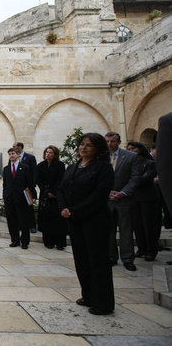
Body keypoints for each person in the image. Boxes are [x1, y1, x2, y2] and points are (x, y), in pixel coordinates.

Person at [58, 132, 115, 316]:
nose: (83, 147)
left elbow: (99, 195)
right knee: (81, 258)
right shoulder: (73, 167)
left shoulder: (103, 168)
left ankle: (103, 302)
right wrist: (63, 208)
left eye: (88, 145)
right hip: (75, 220)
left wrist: (74, 210)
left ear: (97, 148)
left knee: (97, 260)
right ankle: (88, 295)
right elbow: (62, 189)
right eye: (82, 144)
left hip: (94, 219)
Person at [105, 132, 140, 271]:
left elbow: (135, 178)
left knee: (126, 230)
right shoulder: (101, 157)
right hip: (107, 200)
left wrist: (123, 192)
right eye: (107, 141)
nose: (110, 144)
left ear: (119, 142)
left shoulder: (131, 156)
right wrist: (107, 192)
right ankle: (111, 257)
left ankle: (127, 258)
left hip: (124, 199)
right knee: (109, 230)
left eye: (113, 141)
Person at [127, 141, 159, 261]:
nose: (131, 151)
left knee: (149, 224)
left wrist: (132, 181)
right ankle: (142, 248)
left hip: (147, 197)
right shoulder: (130, 164)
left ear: (139, 149)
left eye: (133, 148)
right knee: (137, 224)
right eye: (129, 149)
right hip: (134, 197)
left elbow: (146, 178)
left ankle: (151, 250)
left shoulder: (149, 163)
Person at [2, 148, 37, 249]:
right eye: (9, 154)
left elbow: (30, 183)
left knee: (23, 221)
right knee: (12, 221)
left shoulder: (25, 168)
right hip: (10, 198)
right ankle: (15, 240)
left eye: (13, 154)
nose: (11, 156)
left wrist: (33, 196)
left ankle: (25, 241)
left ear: (18, 155)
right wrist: (5, 195)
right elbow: (5, 185)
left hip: (21, 199)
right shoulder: (6, 169)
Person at [35, 145, 66, 249]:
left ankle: (60, 243)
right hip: (45, 196)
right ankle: (48, 242)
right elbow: (38, 180)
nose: (48, 154)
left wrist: (53, 192)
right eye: (47, 152)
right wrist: (46, 191)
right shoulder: (41, 165)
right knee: (46, 219)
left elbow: (61, 180)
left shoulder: (60, 165)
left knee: (57, 220)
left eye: (50, 153)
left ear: (55, 154)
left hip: (56, 196)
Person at [13, 142, 38, 233]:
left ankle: (32, 226)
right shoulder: (13, 158)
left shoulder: (30, 157)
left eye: (14, 147)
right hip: (17, 189)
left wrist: (32, 184)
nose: (13, 148)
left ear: (20, 147)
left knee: (29, 207)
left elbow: (34, 172)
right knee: (19, 208)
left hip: (27, 188)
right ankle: (21, 225)